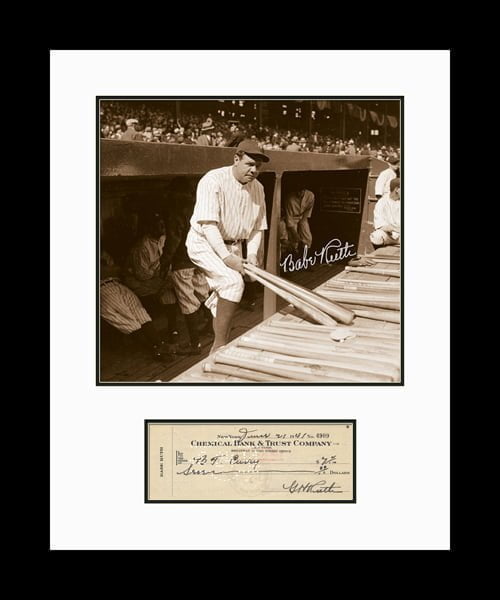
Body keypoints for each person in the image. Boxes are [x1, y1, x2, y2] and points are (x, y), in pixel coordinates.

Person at [186, 139, 269, 353]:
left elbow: (257, 229)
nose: (254, 170)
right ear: (236, 159)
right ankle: (219, 345)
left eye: (258, 166)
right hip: (203, 241)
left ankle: (217, 327)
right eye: (249, 164)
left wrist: (252, 255)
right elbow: (208, 225)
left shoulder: (258, 188)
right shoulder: (213, 179)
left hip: (233, 245)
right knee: (233, 282)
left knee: (231, 286)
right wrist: (226, 258)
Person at [160, 179, 211, 355]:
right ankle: (211, 328)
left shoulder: (175, 211)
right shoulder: (198, 207)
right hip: (198, 259)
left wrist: (164, 262)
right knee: (203, 294)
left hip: (182, 262)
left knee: (188, 303)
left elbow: (173, 240)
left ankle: (194, 344)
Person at [100, 249, 171, 361]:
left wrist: (113, 270)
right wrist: (112, 270)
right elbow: (108, 271)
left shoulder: (103, 252)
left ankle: (160, 345)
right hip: (102, 289)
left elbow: (117, 270)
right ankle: (154, 349)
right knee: (128, 320)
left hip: (117, 284)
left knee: (140, 313)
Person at [283, 187, 315, 255]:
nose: (298, 193)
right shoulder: (290, 199)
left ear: (304, 190)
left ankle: (305, 256)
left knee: (307, 237)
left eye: (301, 191)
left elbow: (308, 210)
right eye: (297, 191)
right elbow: (289, 218)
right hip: (292, 218)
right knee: (294, 240)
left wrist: (303, 223)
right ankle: (293, 255)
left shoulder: (310, 195)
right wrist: (295, 234)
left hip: (303, 216)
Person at [370, 177, 401, 247]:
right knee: (376, 236)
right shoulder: (382, 202)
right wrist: (395, 229)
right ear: (397, 189)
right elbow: (380, 225)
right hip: (389, 236)